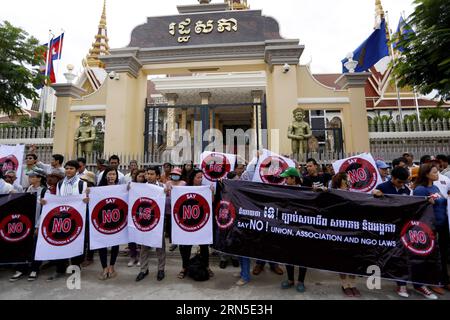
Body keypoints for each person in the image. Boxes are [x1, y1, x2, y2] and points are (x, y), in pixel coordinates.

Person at [373, 167, 414, 298]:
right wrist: (375, 193)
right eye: (399, 182)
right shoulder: (382, 187)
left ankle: (401, 284)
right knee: (382, 255)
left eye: (404, 182)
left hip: (401, 229)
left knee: (401, 256)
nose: (402, 185)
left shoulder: (407, 190)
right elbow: (371, 202)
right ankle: (374, 278)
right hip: (384, 229)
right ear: (393, 178)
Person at [46, 160, 88, 282]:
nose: (69, 170)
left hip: (76, 217)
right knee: (61, 242)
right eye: (67, 168)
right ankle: (60, 268)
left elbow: (84, 199)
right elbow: (58, 200)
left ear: (76, 170)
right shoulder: (59, 184)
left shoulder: (82, 184)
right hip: (62, 217)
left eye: (71, 168)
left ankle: (75, 268)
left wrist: (85, 200)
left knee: (76, 242)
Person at [413, 164, 449, 297]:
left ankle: (442, 280)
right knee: (431, 256)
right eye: (434, 172)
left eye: (438, 171)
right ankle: (431, 282)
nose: (437, 174)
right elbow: (417, 209)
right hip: (430, 227)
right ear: (426, 174)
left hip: (442, 226)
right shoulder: (420, 190)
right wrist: (426, 203)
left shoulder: (435, 187)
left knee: (442, 255)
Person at [9, 168, 48, 282]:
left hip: (38, 224)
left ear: (40, 178)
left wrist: (38, 225)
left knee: (36, 247)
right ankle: (22, 268)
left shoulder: (46, 191)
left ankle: (35, 269)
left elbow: (45, 210)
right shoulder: (27, 189)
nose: (30, 178)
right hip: (26, 223)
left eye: (33, 176)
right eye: (29, 176)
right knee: (24, 245)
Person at [177, 169, 214, 280]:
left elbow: (211, 201)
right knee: (186, 247)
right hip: (187, 223)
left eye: (201, 177)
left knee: (204, 246)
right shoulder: (184, 189)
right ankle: (184, 267)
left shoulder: (205, 189)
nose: (200, 179)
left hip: (201, 222)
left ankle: (206, 266)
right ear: (192, 178)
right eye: (198, 177)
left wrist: (211, 192)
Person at [279, 168, 308, 293]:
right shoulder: (284, 190)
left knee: (302, 256)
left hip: (302, 229)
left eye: (287, 178)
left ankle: (301, 281)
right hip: (288, 228)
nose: (285, 180)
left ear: (293, 179)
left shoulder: (306, 191)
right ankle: (290, 279)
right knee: (288, 255)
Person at [136, 166, 166, 282]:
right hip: (144, 220)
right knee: (144, 246)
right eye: (147, 173)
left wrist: (167, 193)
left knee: (160, 246)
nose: (149, 176)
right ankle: (144, 270)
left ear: (157, 176)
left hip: (158, 220)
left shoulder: (163, 187)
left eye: (152, 174)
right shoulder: (140, 187)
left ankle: (161, 269)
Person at [92, 167, 121, 280]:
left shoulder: (121, 188)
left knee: (115, 242)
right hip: (102, 219)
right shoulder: (98, 189)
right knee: (102, 243)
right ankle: (104, 267)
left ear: (116, 176)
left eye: (113, 174)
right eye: (109, 174)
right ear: (105, 176)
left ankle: (112, 266)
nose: (111, 176)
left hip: (116, 218)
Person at [127, 169, 146, 267]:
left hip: (143, 214)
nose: (141, 178)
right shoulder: (130, 185)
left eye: (143, 176)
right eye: (139, 176)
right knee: (132, 236)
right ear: (136, 177)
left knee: (141, 237)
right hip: (132, 213)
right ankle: (133, 256)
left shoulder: (148, 187)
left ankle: (140, 257)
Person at [165, 167, 186, 252]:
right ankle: (173, 242)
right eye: (173, 174)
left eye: (177, 175)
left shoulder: (183, 183)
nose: (175, 176)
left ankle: (180, 241)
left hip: (180, 207)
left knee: (180, 224)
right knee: (170, 226)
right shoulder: (168, 183)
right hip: (169, 208)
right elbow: (165, 193)